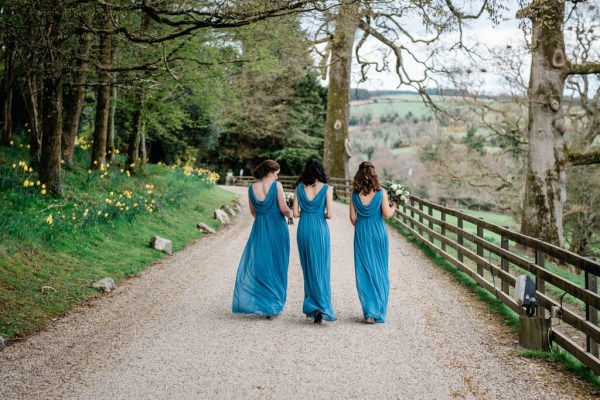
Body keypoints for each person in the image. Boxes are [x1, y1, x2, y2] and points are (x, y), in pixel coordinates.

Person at [232, 160, 293, 319]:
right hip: (277, 227)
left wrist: (263, 218)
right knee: (278, 263)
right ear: (270, 172)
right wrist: (291, 214)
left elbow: (253, 212)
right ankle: (274, 304)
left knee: (263, 263)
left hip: (260, 227)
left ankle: (264, 302)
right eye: (276, 173)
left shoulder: (252, 188)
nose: (277, 177)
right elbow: (283, 208)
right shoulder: (276, 186)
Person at [349, 161, 397, 324]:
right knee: (380, 270)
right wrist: (394, 205)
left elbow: (353, 219)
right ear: (374, 174)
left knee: (364, 270)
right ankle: (378, 309)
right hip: (378, 234)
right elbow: (388, 214)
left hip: (362, 234)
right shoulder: (381, 192)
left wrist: (363, 223)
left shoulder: (354, 193)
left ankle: (369, 312)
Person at [293, 159, 336, 324]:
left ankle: (312, 306)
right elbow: (330, 215)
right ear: (320, 171)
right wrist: (320, 213)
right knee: (321, 268)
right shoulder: (326, 188)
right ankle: (321, 306)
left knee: (308, 269)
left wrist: (307, 211)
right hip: (319, 229)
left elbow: (295, 214)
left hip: (304, 229)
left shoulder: (299, 188)